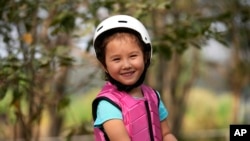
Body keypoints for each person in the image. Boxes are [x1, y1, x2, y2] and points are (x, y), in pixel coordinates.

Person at [92, 15, 178, 141]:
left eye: (133, 56)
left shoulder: (154, 97)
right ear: (104, 65)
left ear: (145, 56)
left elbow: (166, 134)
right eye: (116, 59)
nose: (126, 65)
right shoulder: (107, 104)